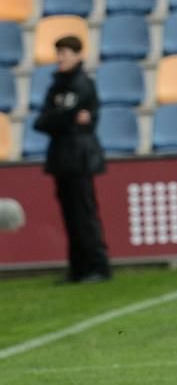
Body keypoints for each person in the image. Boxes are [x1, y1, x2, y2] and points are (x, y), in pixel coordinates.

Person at [33, 35, 110, 284]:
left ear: (78, 55)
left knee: (84, 214)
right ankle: (78, 269)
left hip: (80, 156)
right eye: (59, 53)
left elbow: (58, 118)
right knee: (69, 215)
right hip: (61, 157)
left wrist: (60, 117)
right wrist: (66, 117)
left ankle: (98, 266)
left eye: (65, 53)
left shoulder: (83, 83)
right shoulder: (56, 85)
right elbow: (42, 121)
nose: (61, 58)